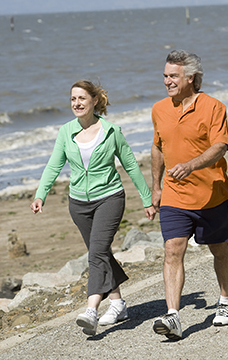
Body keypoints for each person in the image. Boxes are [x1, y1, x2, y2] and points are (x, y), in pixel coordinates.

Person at [30, 79, 155, 336]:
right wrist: (41, 194)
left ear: (94, 101)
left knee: (96, 254)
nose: (76, 103)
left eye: (81, 99)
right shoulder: (66, 132)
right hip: (78, 204)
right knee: (101, 253)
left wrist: (147, 199)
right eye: (73, 99)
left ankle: (91, 310)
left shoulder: (111, 131)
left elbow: (130, 165)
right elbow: (54, 166)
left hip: (109, 198)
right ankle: (118, 303)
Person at [151, 50, 228, 340]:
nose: (167, 81)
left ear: (192, 78)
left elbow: (220, 146)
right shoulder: (159, 109)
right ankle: (172, 316)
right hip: (174, 194)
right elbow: (158, 147)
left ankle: (225, 302)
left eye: (173, 76)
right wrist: (156, 186)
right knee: (173, 248)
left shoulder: (214, 107)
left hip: (210, 192)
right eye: (165, 76)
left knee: (219, 248)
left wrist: (191, 165)